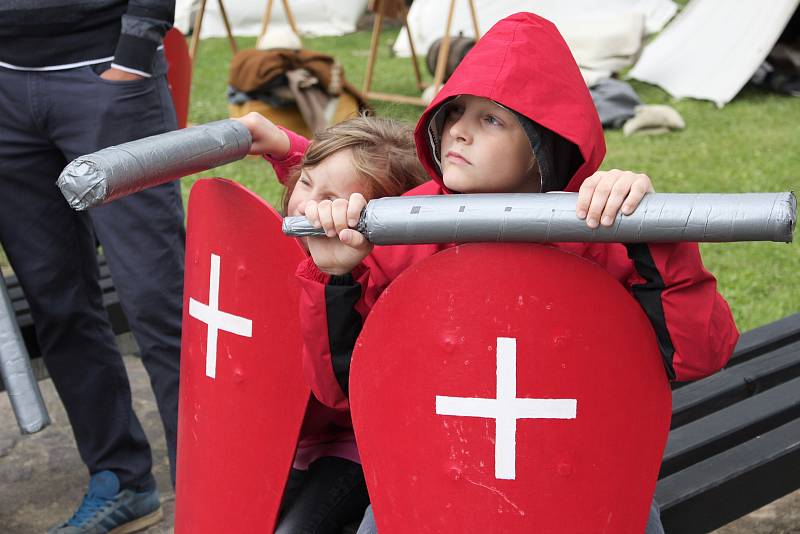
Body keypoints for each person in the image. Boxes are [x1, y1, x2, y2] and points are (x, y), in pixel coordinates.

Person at [296, 12, 740, 534]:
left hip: (576, 469)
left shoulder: (596, 229)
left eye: (492, 119)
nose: (459, 130)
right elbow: (342, 387)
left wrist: (649, 230)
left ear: (543, 142)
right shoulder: (403, 229)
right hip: (435, 468)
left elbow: (696, 354)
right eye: (457, 110)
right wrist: (336, 277)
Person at [0, 2, 185, 532]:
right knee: (55, 299)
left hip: (106, 73)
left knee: (158, 297)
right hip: (6, 86)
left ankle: (214, 492)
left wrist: (133, 51)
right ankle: (121, 479)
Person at [236, 111, 428, 533]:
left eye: (330, 200)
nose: (306, 205)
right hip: (286, 436)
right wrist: (288, 148)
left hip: (352, 445)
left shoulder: (383, 273)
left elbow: (335, 388)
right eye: (304, 183)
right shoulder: (310, 222)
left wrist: (334, 277)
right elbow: (326, 182)